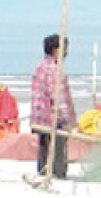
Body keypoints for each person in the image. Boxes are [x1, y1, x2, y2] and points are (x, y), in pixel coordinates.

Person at [30, 33, 76, 178]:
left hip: (40, 118)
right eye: (65, 49)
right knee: (57, 149)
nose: (67, 53)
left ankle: (44, 173)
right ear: (56, 50)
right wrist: (66, 120)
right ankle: (57, 175)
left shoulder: (40, 66)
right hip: (52, 118)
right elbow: (58, 97)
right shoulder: (54, 69)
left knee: (44, 148)